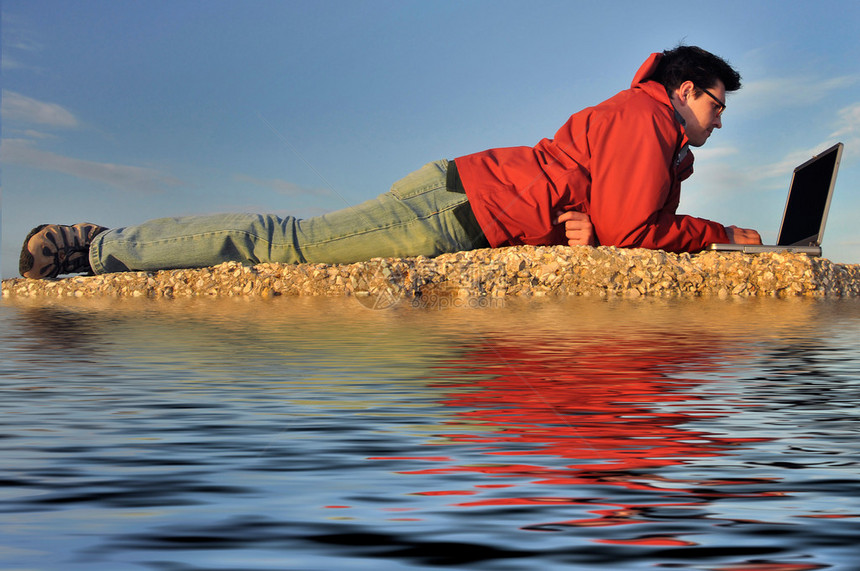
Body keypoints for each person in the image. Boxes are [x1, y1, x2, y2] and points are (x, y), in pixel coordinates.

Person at [19, 45, 761, 280]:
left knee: (295, 239)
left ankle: (102, 244)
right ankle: (97, 246)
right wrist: (724, 235)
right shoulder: (646, 114)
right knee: (290, 244)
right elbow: (632, 227)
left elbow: (610, 217)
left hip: (464, 189)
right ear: (685, 90)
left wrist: (587, 224)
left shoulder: (645, 126)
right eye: (717, 104)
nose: (720, 119)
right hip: (464, 209)